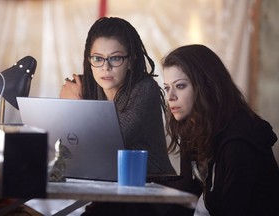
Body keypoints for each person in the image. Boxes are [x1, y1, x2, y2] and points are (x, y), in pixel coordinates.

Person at [60, 16, 179, 216]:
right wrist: (66, 108)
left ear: (130, 61)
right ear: (89, 61)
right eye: (97, 58)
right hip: (112, 194)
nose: (105, 67)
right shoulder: (89, 89)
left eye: (115, 58)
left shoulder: (145, 89)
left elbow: (111, 142)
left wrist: (77, 107)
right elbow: (67, 148)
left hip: (151, 193)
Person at [161, 44, 279, 216]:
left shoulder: (239, 140)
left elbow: (233, 209)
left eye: (180, 86)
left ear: (205, 85)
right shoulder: (194, 129)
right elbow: (187, 196)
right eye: (166, 88)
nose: (170, 97)